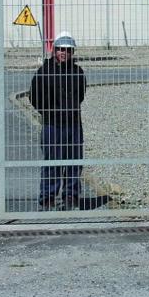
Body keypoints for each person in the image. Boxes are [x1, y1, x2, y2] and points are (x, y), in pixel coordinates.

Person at [29, 32, 106, 210]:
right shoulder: (44, 72)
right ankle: (47, 198)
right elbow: (34, 96)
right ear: (54, 50)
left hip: (73, 124)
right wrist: (48, 112)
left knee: (73, 161)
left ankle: (71, 196)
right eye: (61, 49)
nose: (64, 53)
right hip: (52, 125)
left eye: (68, 50)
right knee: (52, 162)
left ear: (73, 52)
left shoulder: (77, 72)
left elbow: (80, 95)